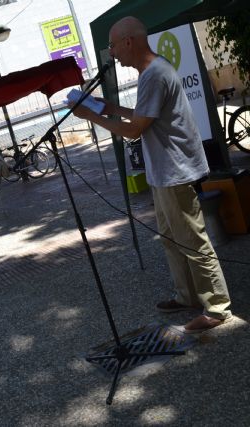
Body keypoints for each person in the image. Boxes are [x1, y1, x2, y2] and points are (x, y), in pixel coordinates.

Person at [71, 16, 232, 333]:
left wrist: (90, 115)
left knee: (194, 242)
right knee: (173, 241)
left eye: (113, 45)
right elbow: (144, 117)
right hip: (164, 173)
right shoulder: (152, 72)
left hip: (175, 172)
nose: (112, 53)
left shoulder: (154, 75)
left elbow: (133, 130)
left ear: (128, 42)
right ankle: (186, 295)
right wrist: (109, 108)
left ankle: (217, 307)